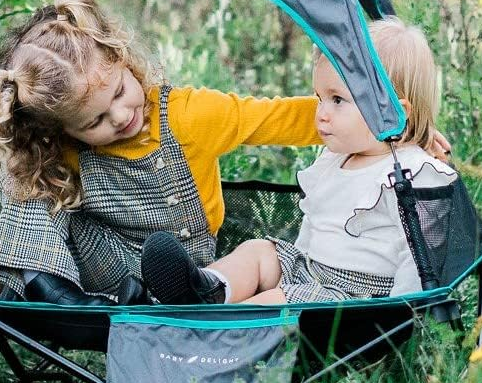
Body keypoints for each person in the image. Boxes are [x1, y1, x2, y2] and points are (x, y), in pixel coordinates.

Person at [0, 0, 324, 306]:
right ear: (64, 129)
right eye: (93, 122)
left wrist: (365, 117)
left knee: (150, 255)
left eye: (118, 92)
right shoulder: (65, 149)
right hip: (99, 269)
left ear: (122, 58)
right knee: (34, 180)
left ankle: (58, 292)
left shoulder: (190, 116)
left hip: (179, 272)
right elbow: (30, 228)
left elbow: (277, 118)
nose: (118, 116)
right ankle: (56, 297)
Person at [140, 18, 455, 306]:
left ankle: (206, 332)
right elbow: (315, 225)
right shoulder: (336, 157)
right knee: (259, 252)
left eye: (337, 100)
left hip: (356, 299)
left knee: (278, 297)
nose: (320, 113)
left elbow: (419, 259)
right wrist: (294, 267)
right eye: (319, 98)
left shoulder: (415, 173)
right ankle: (205, 291)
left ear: (393, 112)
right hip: (312, 272)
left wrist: (397, 316)